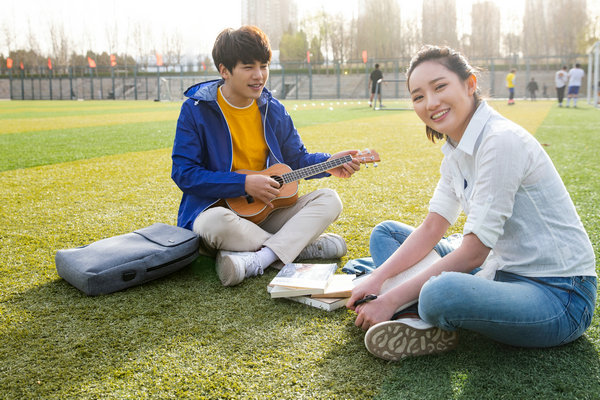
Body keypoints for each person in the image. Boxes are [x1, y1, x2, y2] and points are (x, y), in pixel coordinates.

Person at [346, 45, 596, 361]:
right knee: (387, 235)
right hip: (498, 267)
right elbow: (433, 226)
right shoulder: (455, 149)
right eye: (418, 96)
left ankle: (411, 312)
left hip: (559, 295)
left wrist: (389, 298)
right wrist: (376, 278)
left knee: (441, 294)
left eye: (440, 87)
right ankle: (414, 315)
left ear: (470, 84)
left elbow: (473, 252)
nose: (431, 103)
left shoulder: (500, 140)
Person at [171, 26, 361, 287]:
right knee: (215, 225)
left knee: (329, 200)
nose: (259, 76)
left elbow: (296, 159)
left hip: (266, 211)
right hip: (217, 211)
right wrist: (243, 184)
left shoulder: (274, 109)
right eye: (248, 67)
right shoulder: (195, 111)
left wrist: (329, 164)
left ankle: (259, 258)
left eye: (264, 65)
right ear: (224, 70)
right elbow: (184, 173)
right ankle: (300, 247)